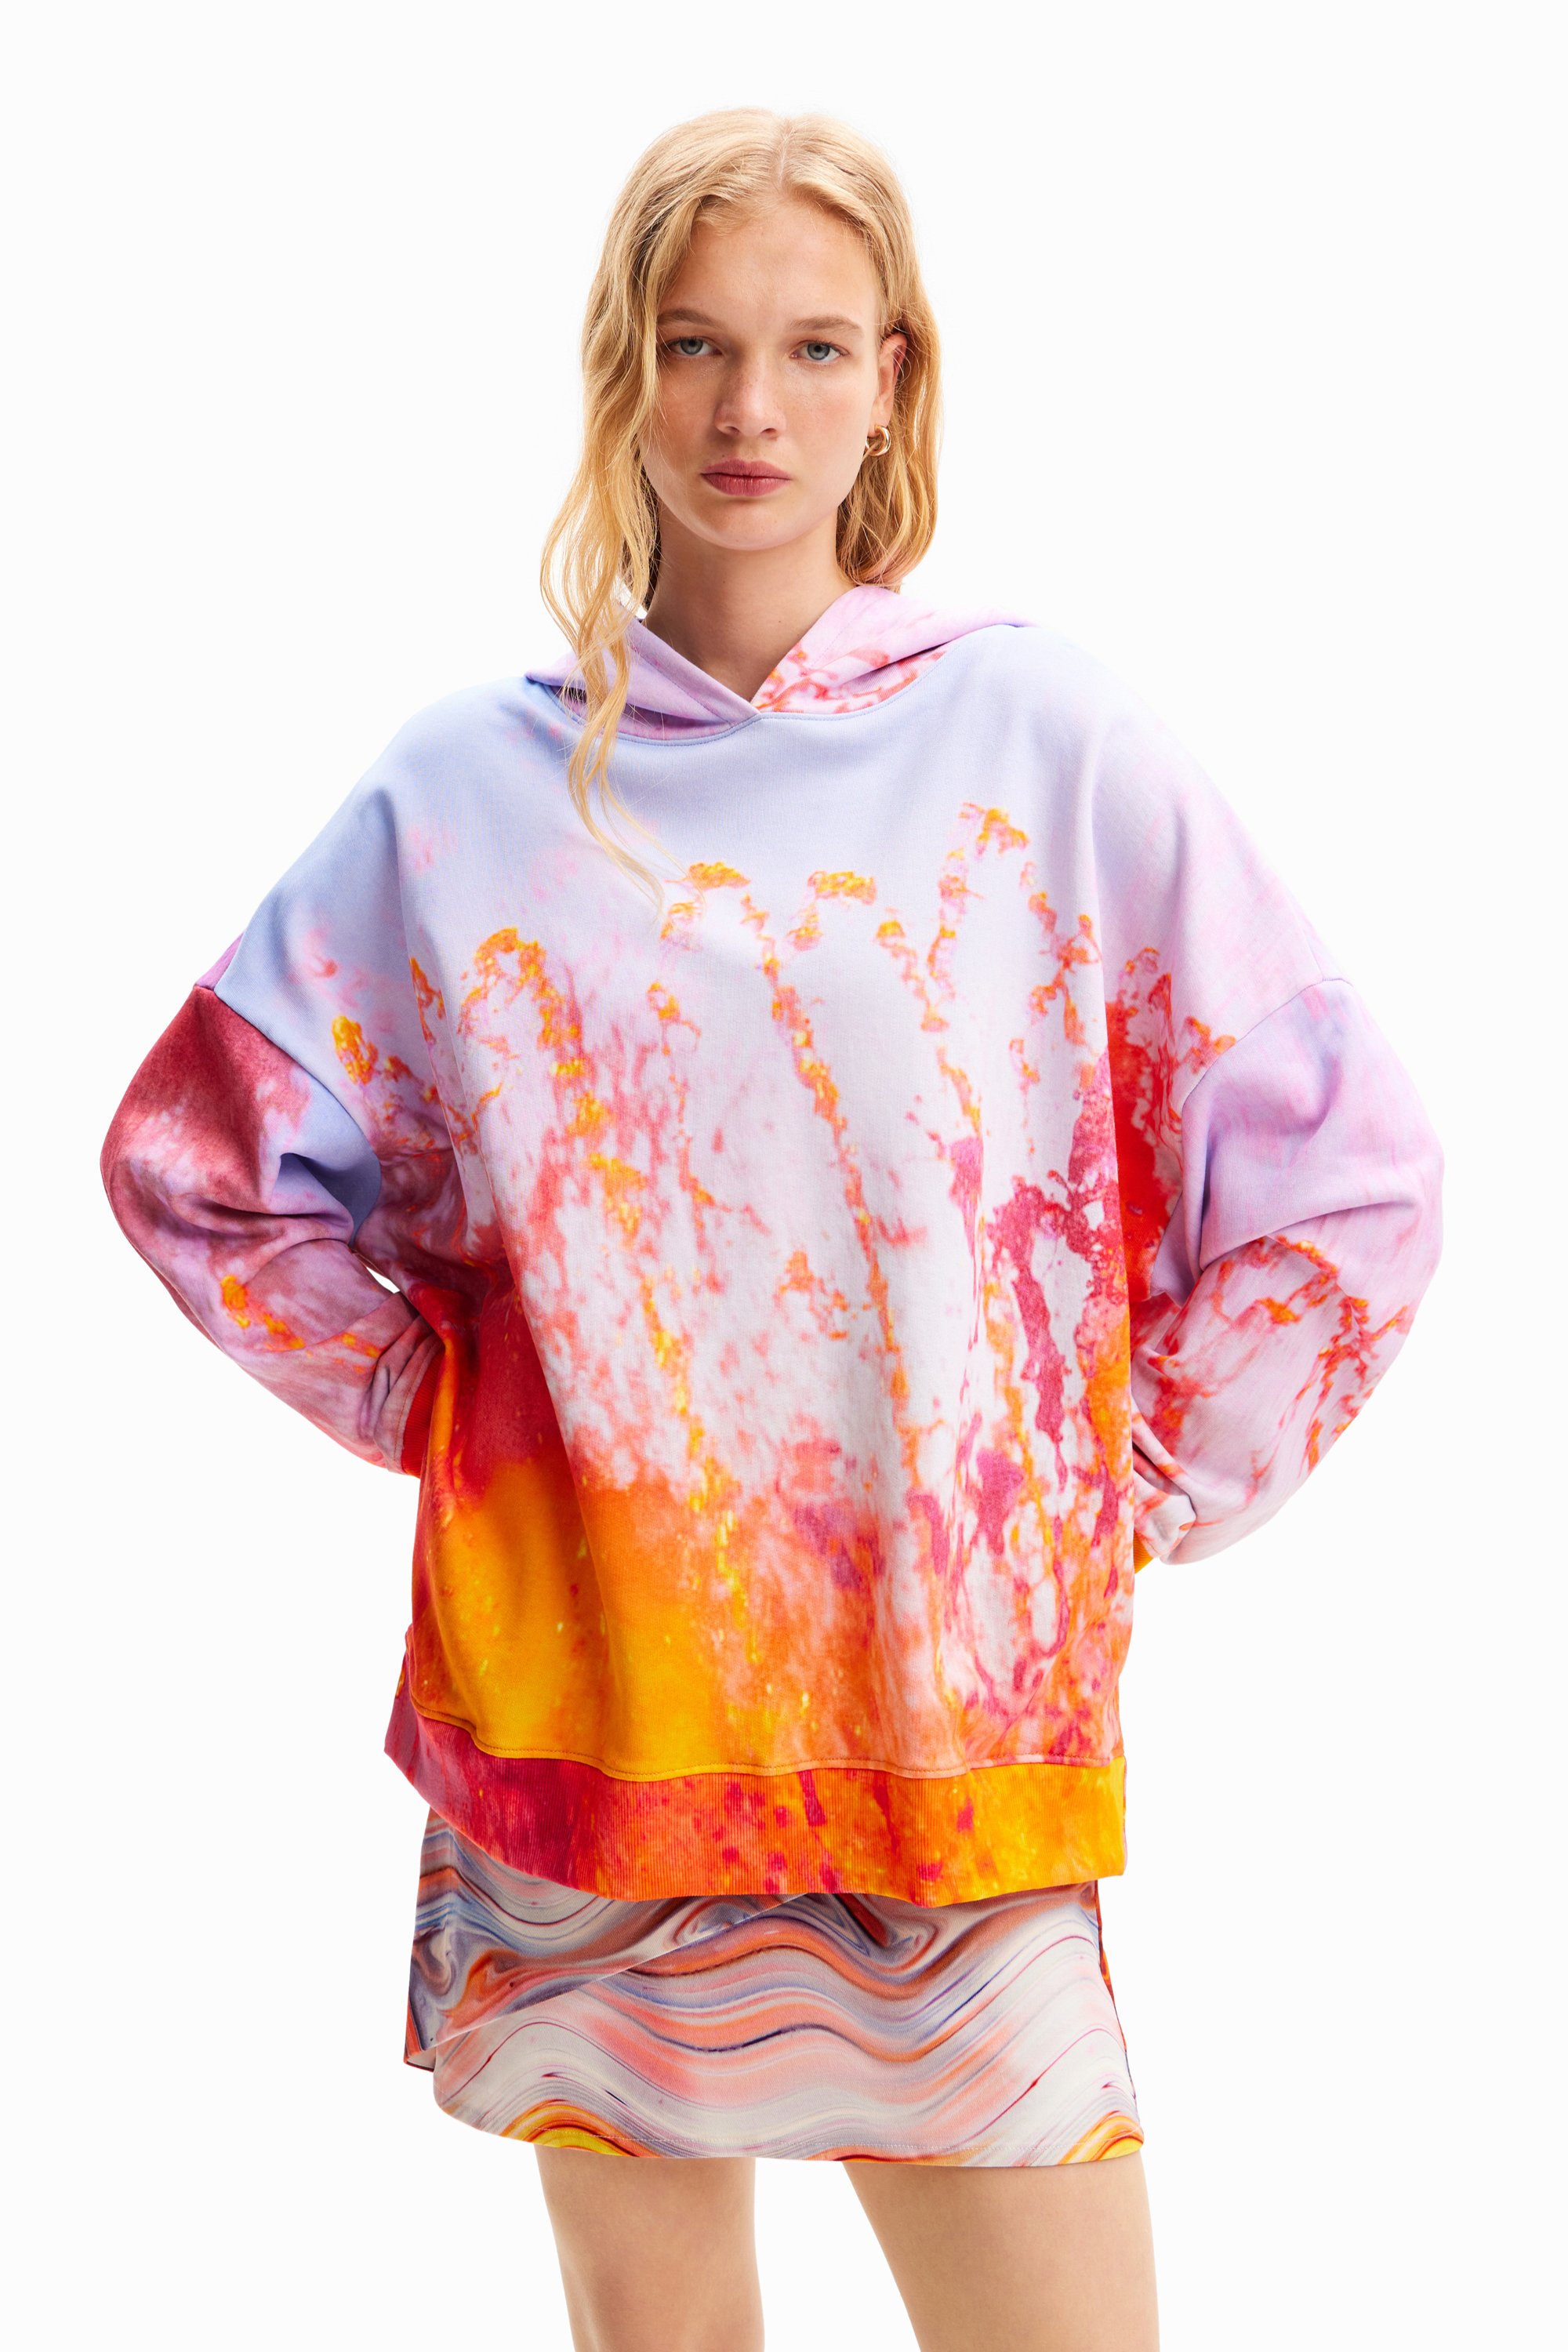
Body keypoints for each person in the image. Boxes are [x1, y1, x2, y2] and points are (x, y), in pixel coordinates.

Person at [100, 107, 1443, 2352]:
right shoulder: (469, 785)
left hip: (945, 1734)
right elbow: (202, 1166)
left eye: (816, 347)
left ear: (894, 382)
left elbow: (1352, 1171)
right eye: (696, 343)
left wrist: (1109, 1485)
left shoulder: (1042, 739)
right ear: (620, 373)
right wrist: (466, 1417)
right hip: (593, 1717)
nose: (752, 406)